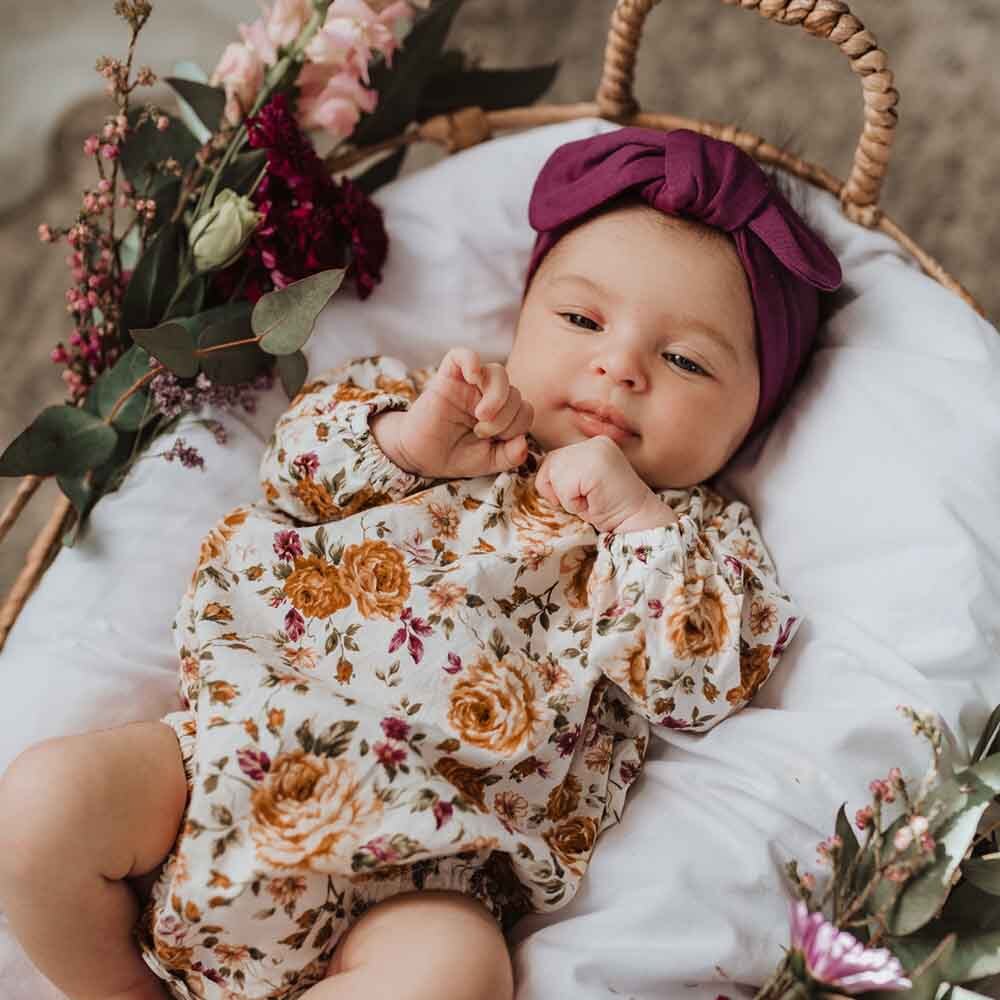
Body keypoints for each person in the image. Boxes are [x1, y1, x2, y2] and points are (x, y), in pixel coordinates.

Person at [0, 127, 842, 1000]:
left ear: (752, 418)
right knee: (43, 802)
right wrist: (407, 444)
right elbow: (293, 467)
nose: (619, 366)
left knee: (455, 977)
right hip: (224, 747)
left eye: (685, 360)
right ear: (521, 321)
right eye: (582, 320)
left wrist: (635, 518)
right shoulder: (437, 407)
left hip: (427, 866)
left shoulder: (699, 542)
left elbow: (699, 684)